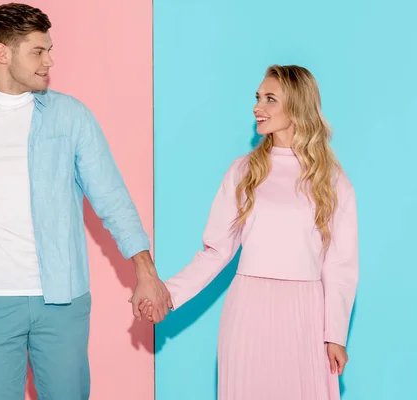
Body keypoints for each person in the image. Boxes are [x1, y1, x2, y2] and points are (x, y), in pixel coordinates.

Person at [0, 3, 171, 399]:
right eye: (38, 51)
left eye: (50, 50)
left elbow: (112, 198)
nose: (49, 61)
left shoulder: (71, 118)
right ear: (2, 53)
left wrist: (145, 270)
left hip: (61, 300)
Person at [139, 65, 359, 399]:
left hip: (306, 314)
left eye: (270, 99)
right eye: (258, 98)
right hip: (249, 310)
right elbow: (216, 252)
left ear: (298, 106)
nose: (258, 107)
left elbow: (341, 264)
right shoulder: (243, 171)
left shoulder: (331, 180)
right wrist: (167, 294)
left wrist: (336, 335)